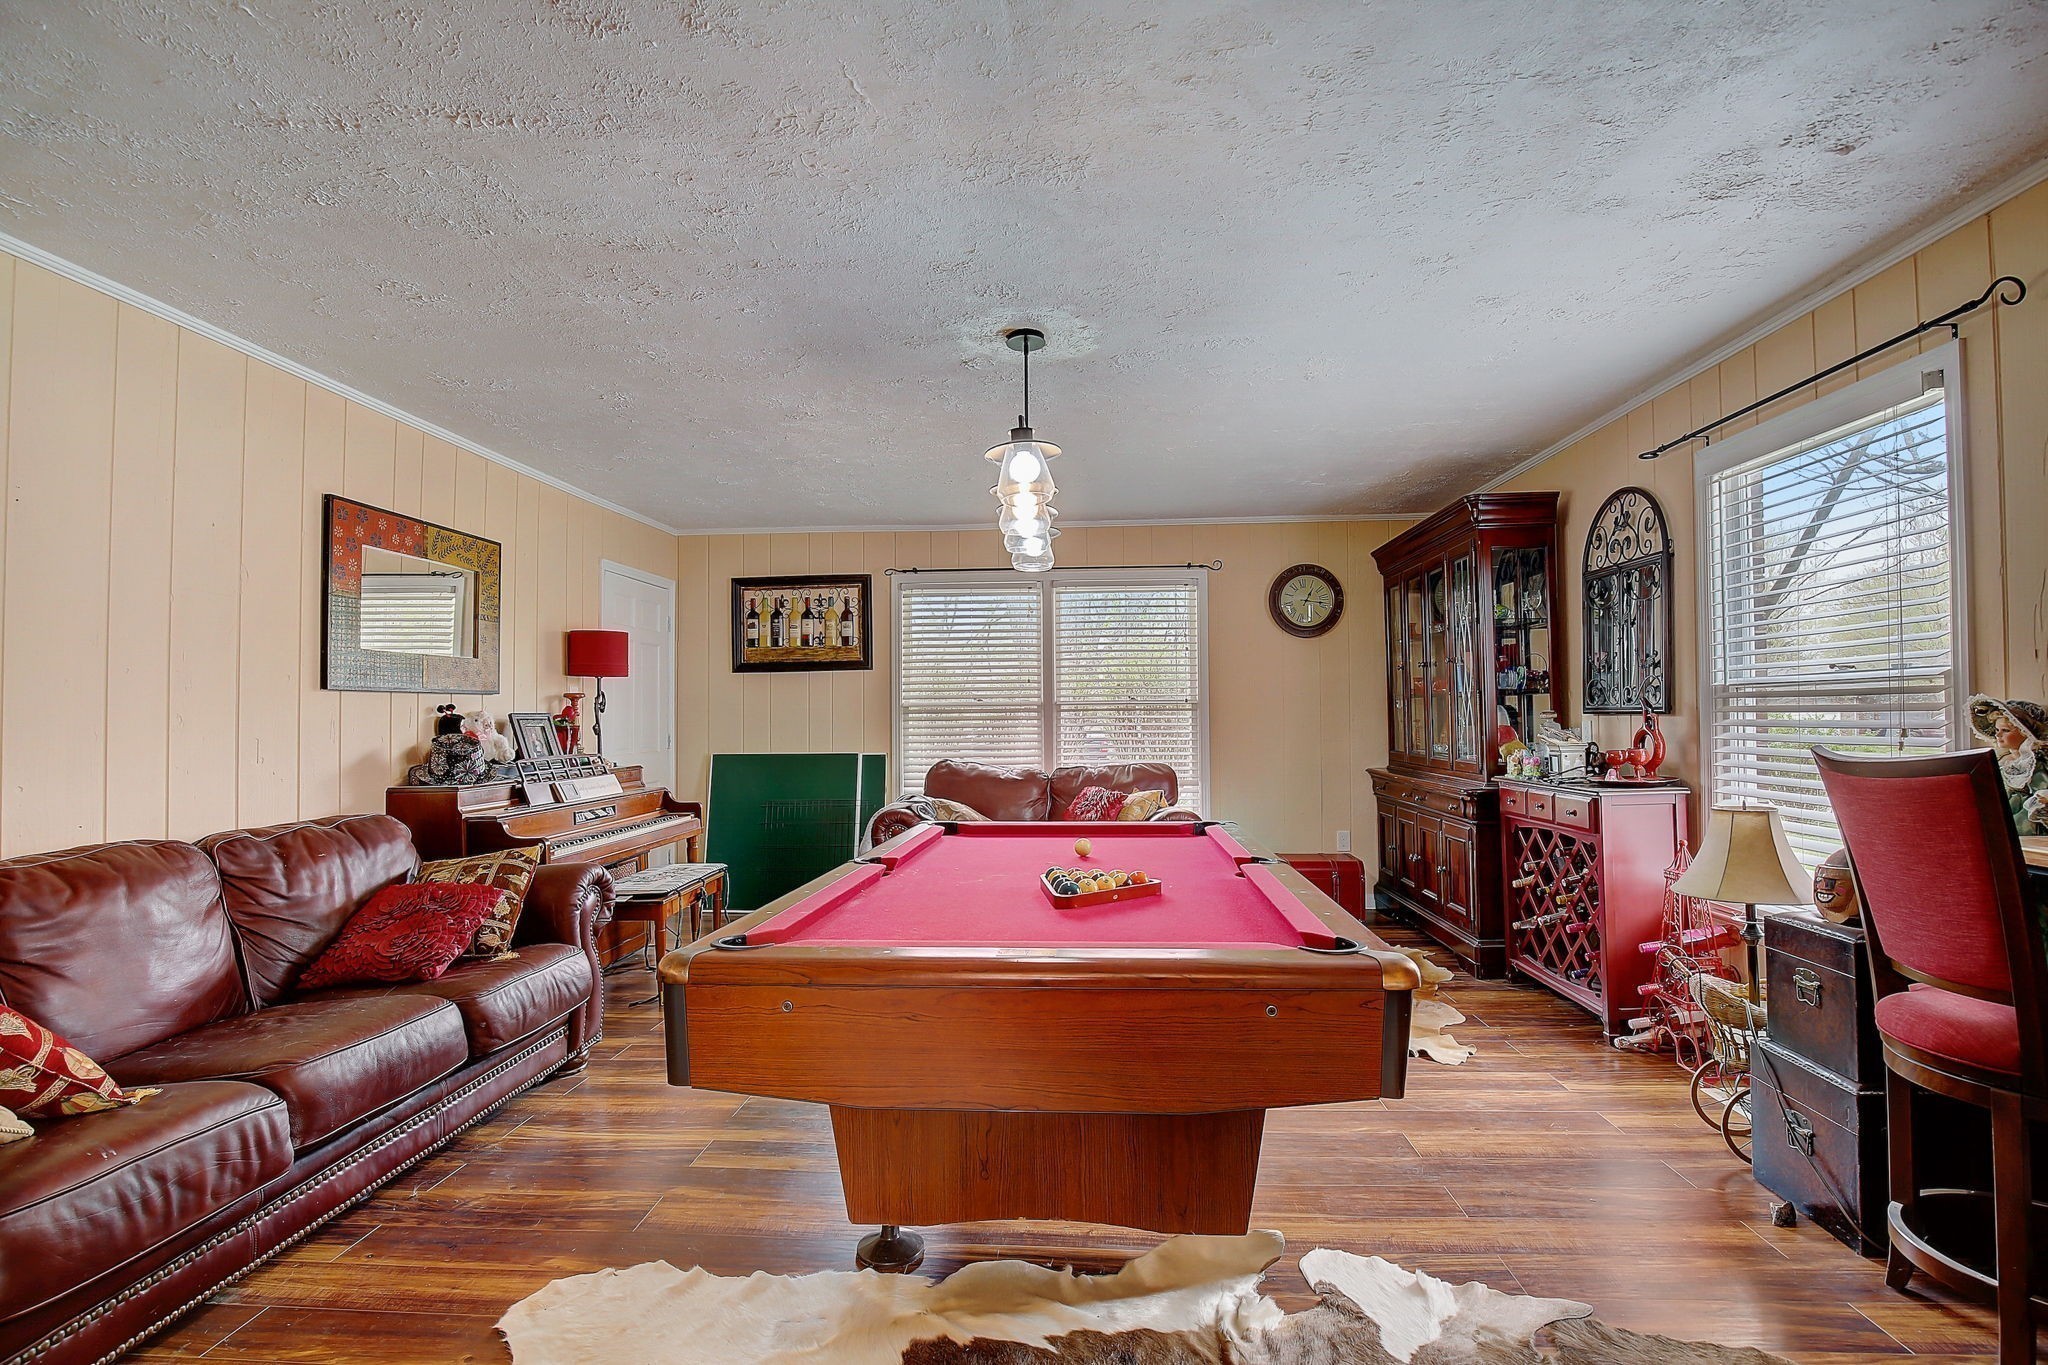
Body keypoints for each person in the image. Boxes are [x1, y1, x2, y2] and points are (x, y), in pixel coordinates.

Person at [1967, 694, 2048, 835]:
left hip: (2021, 818)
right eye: (1997, 730)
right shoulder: (2001, 760)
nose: (1998, 735)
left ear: (2026, 733)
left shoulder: (2034, 763)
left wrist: (2039, 800)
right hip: (1998, 810)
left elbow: (2041, 789)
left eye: (2005, 730)